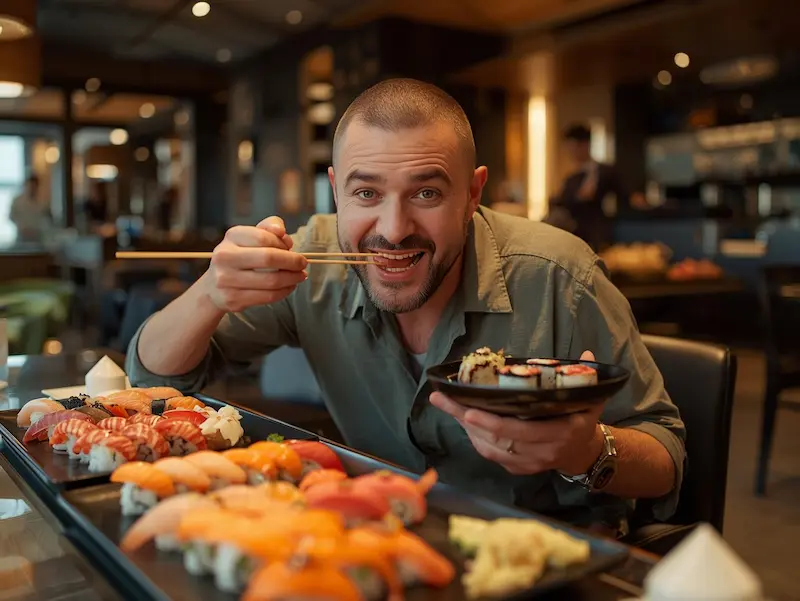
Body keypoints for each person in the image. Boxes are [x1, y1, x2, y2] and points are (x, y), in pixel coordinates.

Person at [127, 79, 685, 537]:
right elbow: (151, 378)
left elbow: (666, 459)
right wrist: (208, 294)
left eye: (427, 193)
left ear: (472, 193)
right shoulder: (310, 262)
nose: (394, 231)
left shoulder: (560, 277)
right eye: (366, 194)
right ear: (336, 191)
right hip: (386, 538)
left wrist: (587, 451)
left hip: (545, 550)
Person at [553, 125, 644, 252]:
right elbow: (563, 202)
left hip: (597, 229)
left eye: (573, 147)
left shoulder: (604, 171)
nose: (571, 152)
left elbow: (626, 192)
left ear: (585, 145)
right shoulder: (571, 178)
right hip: (573, 230)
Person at [9, 175, 50, 243]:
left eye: (34, 187)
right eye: (30, 186)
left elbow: (46, 219)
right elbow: (11, 216)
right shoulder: (17, 201)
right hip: (22, 235)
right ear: (26, 186)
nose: (32, 189)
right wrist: (21, 226)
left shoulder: (43, 201)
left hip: (38, 236)